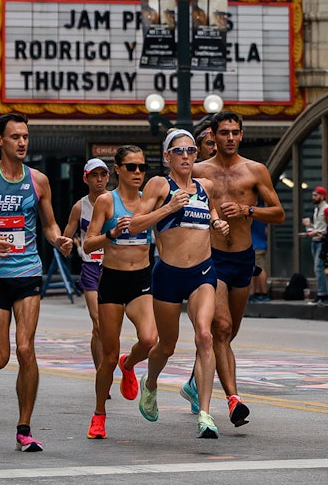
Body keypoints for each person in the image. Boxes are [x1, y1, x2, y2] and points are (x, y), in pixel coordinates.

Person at [0, 113, 73, 453]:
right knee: (1, 357)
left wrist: (58, 240)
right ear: (0, 141)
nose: (22, 142)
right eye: (15, 136)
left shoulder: (39, 181)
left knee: (25, 348)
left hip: (28, 271)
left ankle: (24, 429)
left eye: (25, 136)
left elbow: (49, 225)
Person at [181, 111, 285, 428]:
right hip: (209, 258)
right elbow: (175, 207)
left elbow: (278, 213)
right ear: (213, 134)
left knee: (227, 333)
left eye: (235, 132)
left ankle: (194, 381)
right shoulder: (198, 171)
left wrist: (245, 209)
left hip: (242, 258)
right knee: (222, 327)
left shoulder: (255, 171)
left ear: (241, 135)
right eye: (224, 132)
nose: (229, 137)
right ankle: (233, 401)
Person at [130, 128, 229, 439]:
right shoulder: (160, 185)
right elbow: (134, 223)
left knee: (204, 335)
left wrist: (217, 221)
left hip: (202, 272)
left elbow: (210, 209)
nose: (185, 156)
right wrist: (169, 207)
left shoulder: (206, 186)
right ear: (167, 157)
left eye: (190, 151)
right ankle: (151, 383)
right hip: (169, 274)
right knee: (167, 345)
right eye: (178, 151)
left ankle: (205, 414)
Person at [81, 145, 157, 440]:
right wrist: (112, 234)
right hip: (112, 280)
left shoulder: (149, 202)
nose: (138, 172)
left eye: (142, 167)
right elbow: (88, 245)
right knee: (108, 356)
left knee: (149, 339)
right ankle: (99, 413)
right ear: (118, 170)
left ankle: (131, 363)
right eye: (131, 167)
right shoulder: (106, 201)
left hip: (141, 280)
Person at [60, 158, 111, 378]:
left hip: (115, 267)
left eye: (102, 175)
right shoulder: (80, 206)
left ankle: (113, 363)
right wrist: (67, 244)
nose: (99, 180)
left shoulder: (115, 201)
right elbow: (66, 235)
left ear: (108, 177)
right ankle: (102, 373)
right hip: (91, 266)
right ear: (85, 178)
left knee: (112, 326)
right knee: (98, 323)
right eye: (94, 175)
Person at [304, 186, 328, 303]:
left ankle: (323, 294)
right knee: (318, 268)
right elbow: (320, 226)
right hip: (315, 240)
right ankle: (321, 293)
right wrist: (310, 226)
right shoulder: (316, 209)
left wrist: (317, 232)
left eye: (315, 195)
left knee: (319, 267)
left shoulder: (327, 209)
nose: (313, 197)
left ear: (322, 196)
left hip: (322, 241)